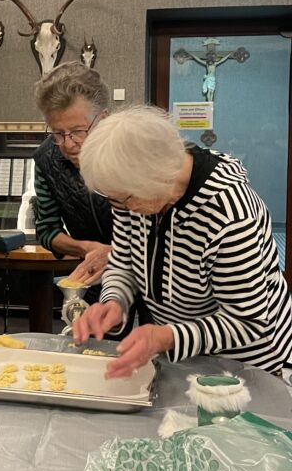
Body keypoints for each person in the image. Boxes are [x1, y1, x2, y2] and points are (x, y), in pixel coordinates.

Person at [73, 105, 292, 379]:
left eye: (125, 200)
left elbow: (247, 322)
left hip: (245, 365)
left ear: (160, 178)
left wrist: (166, 337)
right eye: (113, 200)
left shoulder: (230, 214)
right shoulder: (133, 197)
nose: (122, 209)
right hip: (185, 356)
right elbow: (124, 263)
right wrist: (114, 302)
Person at [32, 61, 149, 332]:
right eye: (58, 134)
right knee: (98, 349)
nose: (69, 144)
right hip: (95, 277)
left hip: (153, 278)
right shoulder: (46, 159)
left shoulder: (135, 155)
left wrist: (118, 254)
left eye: (78, 131)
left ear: (105, 118)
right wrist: (89, 249)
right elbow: (47, 230)